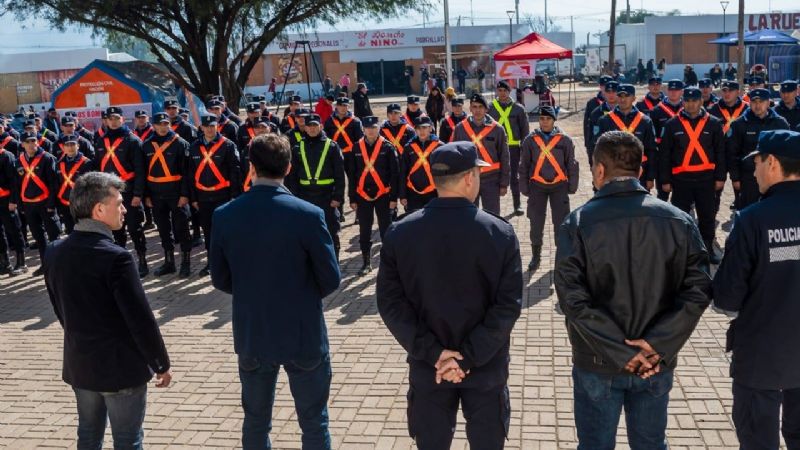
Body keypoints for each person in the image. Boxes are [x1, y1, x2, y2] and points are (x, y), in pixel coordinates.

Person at [555, 130, 712, 450]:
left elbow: (572, 299)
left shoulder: (578, 223)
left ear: (599, 170)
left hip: (598, 360)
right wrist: (656, 345)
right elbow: (698, 289)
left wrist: (623, 352)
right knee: (651, 444)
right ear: (640, 169)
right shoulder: (679, 221)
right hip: (655, 360)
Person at [377, 141, 522, 450]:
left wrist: (435, 354)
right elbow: (507, 307)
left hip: (430, 369)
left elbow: (390, 305)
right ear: (470, 178)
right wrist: (467, 357)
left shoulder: (400, 232)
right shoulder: (500, 233)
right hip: (485, 368)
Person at [210, 133, 339, 450]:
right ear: (289, 167)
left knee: (256, 421)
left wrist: (253, 292)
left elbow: (220, 278)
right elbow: (330, 278)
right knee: (314, 423)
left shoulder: (225, 214)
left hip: (254, 331)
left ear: (250, 167)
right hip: (303, 331)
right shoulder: (309, 214)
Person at [44, 171, 171, 449]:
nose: (124, 209)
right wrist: (160, 363)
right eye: (119, 203)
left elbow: (60, 309)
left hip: (81, 364)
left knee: (88, 437)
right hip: (120, 369)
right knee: (128, 440)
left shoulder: (54, 251)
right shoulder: (116, 257)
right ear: (99, 209)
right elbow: (140, 320)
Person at [712, 130, 800, 450]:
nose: (753, 171)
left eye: (758, 162)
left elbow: (727, 298)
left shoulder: (752, 220)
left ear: (772, 162)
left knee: (758, 440)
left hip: (761, 356)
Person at [659, 87, 726, 264]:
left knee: (707, 217)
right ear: (683, 102)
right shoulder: (672, 124)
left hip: (706, 180)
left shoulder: (714, 123)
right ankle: (682, 251)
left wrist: (720, 177)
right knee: (680, 217)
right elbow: (665, 154)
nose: (690, 104)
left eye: (694, 101)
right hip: (681, 181)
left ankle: (708, 249)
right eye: (687, 101)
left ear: (701, 101)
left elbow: (720, 152)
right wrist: (665, 180)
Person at [519, 106, 578, 272]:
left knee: (561, 223)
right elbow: (524, 165)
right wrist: (524, 187)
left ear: (554, 120)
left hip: (559, 187)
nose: (544, 122)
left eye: (548, 119)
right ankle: (536, 256)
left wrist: (572, 186)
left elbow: (571, 164)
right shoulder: (530, 140)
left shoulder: (565, 140)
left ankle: (561, 257)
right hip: (537, 187)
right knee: (536, 222)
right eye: (542, 118)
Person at [94, 107, 148, 277]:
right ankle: (120, 260)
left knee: (134, 228)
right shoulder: (101, 141)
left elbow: (140, 170)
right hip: (108, 193)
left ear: (122, 119)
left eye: (116, 118)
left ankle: (142, 260)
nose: (113, 121)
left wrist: (138, 194)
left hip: (129, 191)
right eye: (110, 118)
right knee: (115, 228)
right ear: (106, 121)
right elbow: (98, 167)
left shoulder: (132, 140)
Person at [187, 114, 241, 277]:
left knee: (226, 231)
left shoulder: (228, 145)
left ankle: (230, 262)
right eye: (207, 126)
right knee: (208, 231)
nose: (210, 129)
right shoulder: (194, 147)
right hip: (203, 198)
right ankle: (212, 262)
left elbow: (235, 172)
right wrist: (193, 198)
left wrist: (234, 196)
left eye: (212, 126)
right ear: (202, 128)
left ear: (217, 126)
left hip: (223, 197)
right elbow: (190, 174)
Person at [286, 113, 345, 259]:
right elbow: (292, 176)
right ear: (305, 128)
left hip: (327, 197)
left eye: (315, 125)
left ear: (321, 126)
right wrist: (295, 198)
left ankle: (334, 262)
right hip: (305, 197)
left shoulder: (332, 146)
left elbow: (339, 174)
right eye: (309, 126)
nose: (312, 129)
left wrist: (337, 197)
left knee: (331, 232)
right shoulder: (297, 147)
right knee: (305, 232)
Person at [347, 116, 399, 276]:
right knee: (364, 229)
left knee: (386, 229)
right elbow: (352, 175)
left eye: (374, 127)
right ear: (363, 129)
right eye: (368, 128)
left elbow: (395, 174)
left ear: (378, 128)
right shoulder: (356, 147)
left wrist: (393, 198)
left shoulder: (387, 147)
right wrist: (352, 198)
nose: (371, 130)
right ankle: (366, 262)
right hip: (363, 195)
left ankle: (388, 263)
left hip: (383, 195)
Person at [143, 112, 192, 278]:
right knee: (163, 229)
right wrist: (146, 195)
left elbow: (186, 172)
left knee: (182, 228)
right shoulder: (147, 145)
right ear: (154, 126)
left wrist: (185, 194)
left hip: (176, 193)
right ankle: (169, 262)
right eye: (160, 124)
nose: (163, 127)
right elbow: (144, 172)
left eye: (166, 124)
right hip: (156, 194)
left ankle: (186, 262)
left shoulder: (180, 143)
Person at [727, 88, 789, 210]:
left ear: (768, 103)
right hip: (749, 178)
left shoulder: (780, 123)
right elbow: (732, 153)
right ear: (749, 103)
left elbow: (786, 151)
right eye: (754, 102)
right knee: (749, 212)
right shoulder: (739, 124)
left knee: (773, 212)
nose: (757, 105)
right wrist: (735, 178)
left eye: (761, 101)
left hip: (774, 177)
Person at [452, 94, 510, 215]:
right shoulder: (460, 128)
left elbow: (504, 157)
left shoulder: (497, 129)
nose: (477, 110)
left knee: (492, 216)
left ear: (486, 109)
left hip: (491, 180)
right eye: (474, 107)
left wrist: (504, 183)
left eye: (480, 107)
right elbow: (455, 156)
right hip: (468, 180)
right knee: (469, 217)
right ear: (470, 108)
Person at [489, 80, 529, 216]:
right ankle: (493, 209)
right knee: (494, 176)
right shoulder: (490, 108)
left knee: (514, 177)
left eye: (505, 91)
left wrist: (524, 148)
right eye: (500, 90)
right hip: (494, 148)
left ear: (509, 91)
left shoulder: (519, 109)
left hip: (513, 147)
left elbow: (525, 130)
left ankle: (517, 205)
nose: (502, 93)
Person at [649, 79, 686, 201]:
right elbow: (652, 136)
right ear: (666, 91)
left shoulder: (688, 109)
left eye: (677, 90)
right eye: (671, 90)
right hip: (663, 156)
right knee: (662, 193)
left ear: (682, 92)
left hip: (684, 156)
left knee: (683, 195)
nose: (673, 92)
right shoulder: (656, 111)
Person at [399, 116, 441, 213]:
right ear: (415, 130)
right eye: (418, 128)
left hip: (434, 193)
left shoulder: (439, 146)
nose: (421, 131)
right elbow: (403, 172)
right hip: (413, 192)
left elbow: (444, 173)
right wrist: (403, 195)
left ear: (430, 128)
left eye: (424, 127)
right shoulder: (408, 147)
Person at [55, 134, 94, 235]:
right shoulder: (59, 163)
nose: (70, 147)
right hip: (65, 203)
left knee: (84, 230)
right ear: (63, 148)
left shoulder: (87, 163)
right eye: (67, 145)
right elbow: (57, 184)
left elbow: (90, 185)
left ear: (78, 146)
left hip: (81, 203)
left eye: (73, 144)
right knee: (70, 231)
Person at [0, 128, 26, 276]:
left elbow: (14, 182)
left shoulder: (6, 156)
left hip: (6, 200)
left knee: (14, 231)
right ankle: (5, 262)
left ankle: (21, 262)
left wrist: (13, 201)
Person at [583, 75, 612, 161]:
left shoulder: (618, 103)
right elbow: (587, 125)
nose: (605, 88)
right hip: (598, 141)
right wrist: (587, 144)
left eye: (608, 85)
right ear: (600, 86)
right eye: (603, 85)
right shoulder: (592, 103)